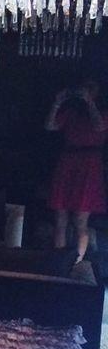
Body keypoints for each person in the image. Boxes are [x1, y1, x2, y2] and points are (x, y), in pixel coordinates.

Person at [45, 80, 107, 259]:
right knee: (60, 218)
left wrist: (89, 102)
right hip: (68, 161)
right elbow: (50, 126)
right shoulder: (72, 112)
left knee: (80, 220)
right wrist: (57, 102)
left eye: (90, 88)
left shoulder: (103, 112)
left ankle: (76, 262)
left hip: (89, 164)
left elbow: (99, 126)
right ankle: (60, 261)